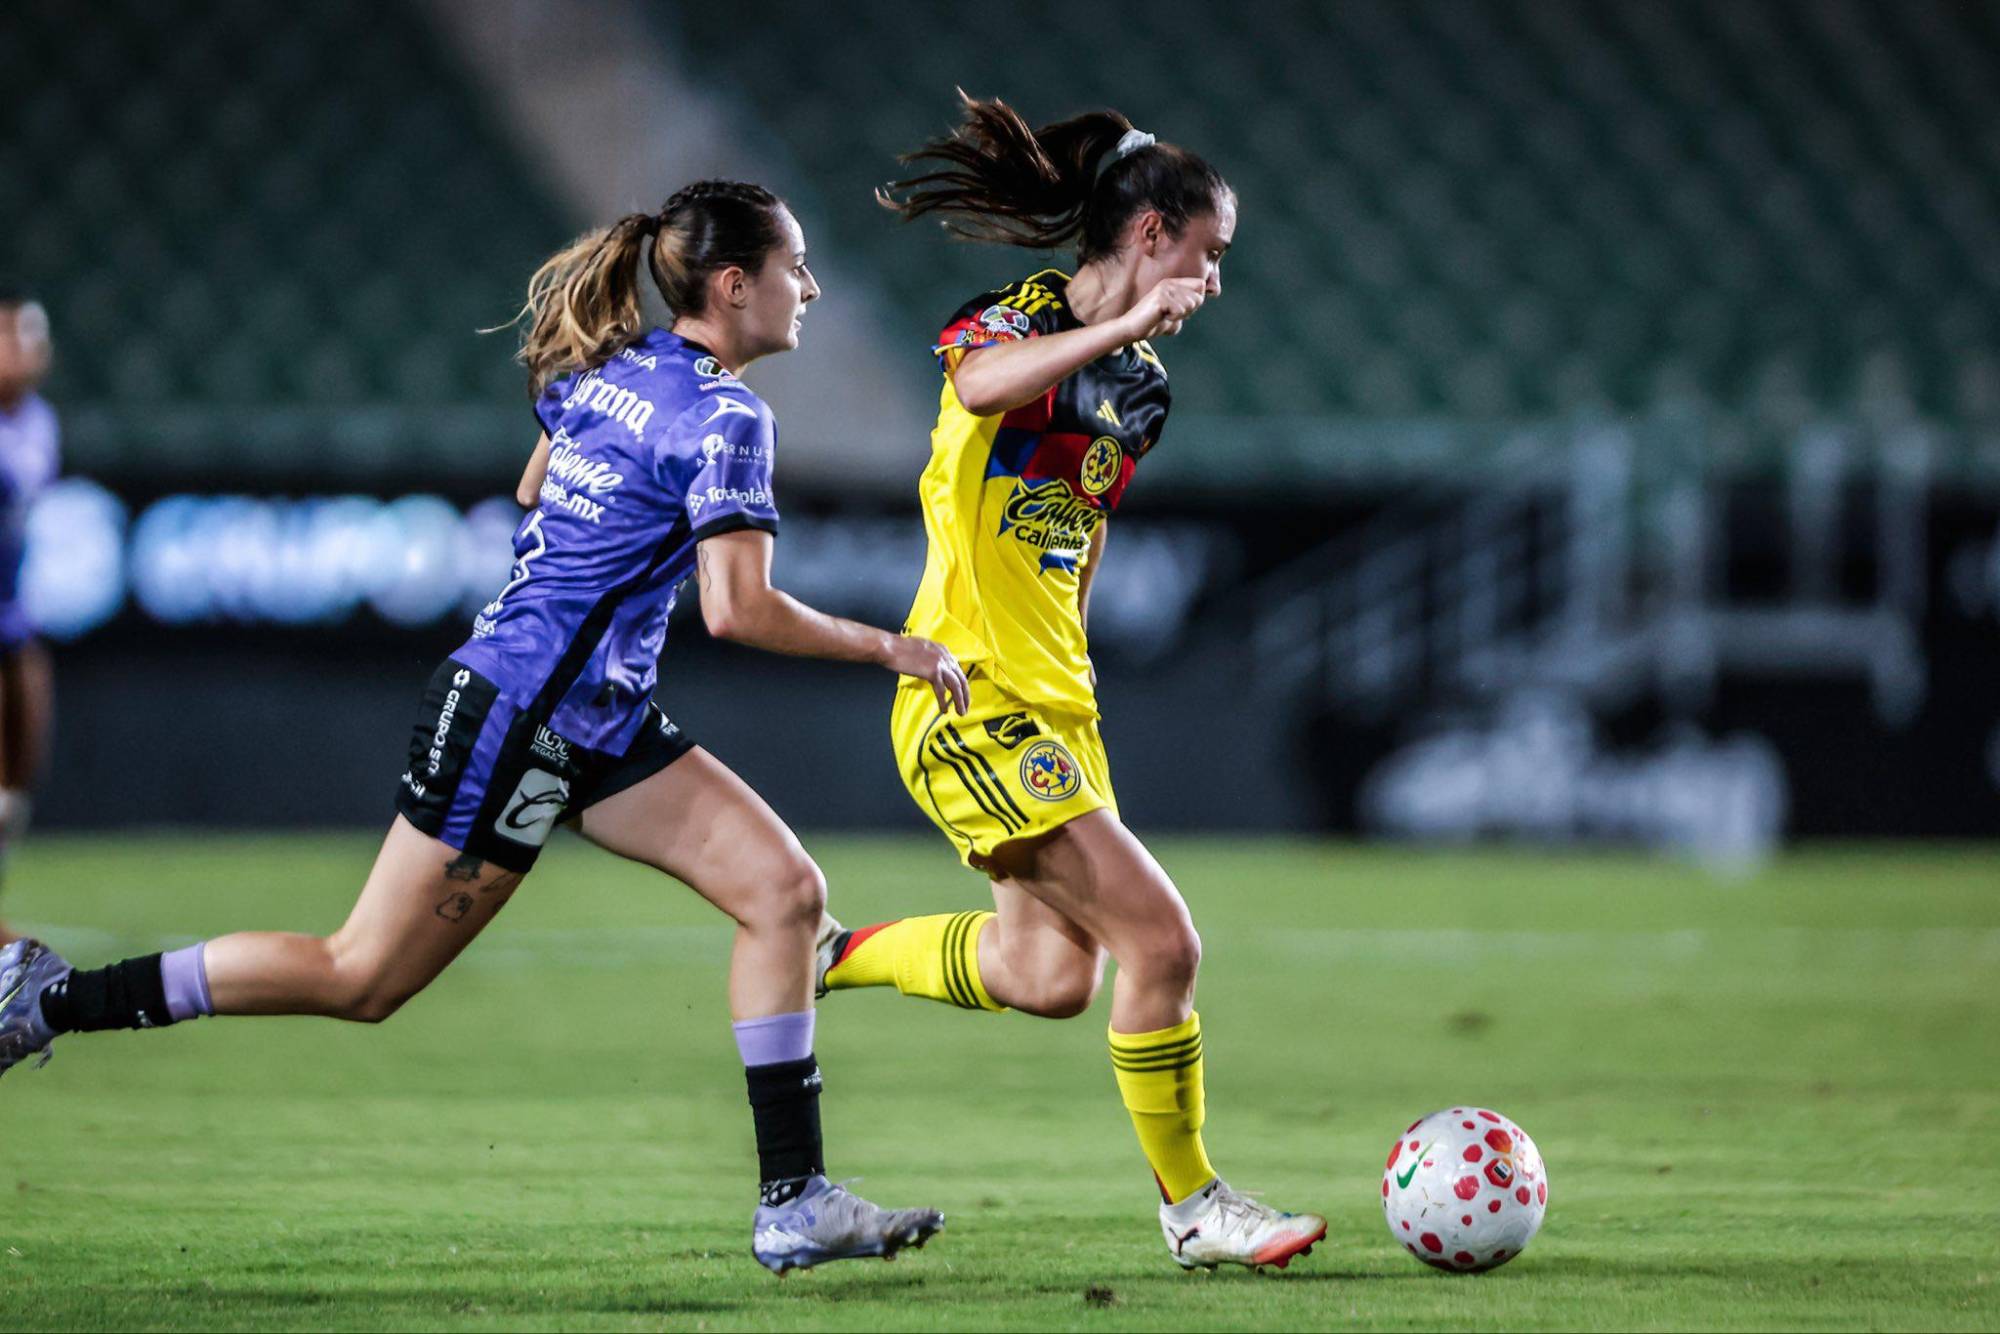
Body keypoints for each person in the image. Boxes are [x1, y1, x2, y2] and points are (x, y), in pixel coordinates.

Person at [0, 181, 971, 1275]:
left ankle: (793, 1197)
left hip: (589, 713)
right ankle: (51, 997)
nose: (812, 286)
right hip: (521, 717)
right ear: (732, 283)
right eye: (795, 267)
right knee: (359, 974)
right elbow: (736, 607)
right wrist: (894, 646)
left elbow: (533, 484)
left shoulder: (611, 369)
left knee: (783, 892)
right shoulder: (728, 416)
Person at [818, 96, 1327, 1271]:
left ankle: (828, 956)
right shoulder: (1015, 323)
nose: (1211, 278)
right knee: (1164, 944)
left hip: (1052, 700)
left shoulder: (1138, 390)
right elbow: (986, 390)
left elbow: (1076, 539)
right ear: (1149, 234)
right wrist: (1123, 322)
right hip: (968, 693)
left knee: (1046, 975)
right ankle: (1195, 1206)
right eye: (1208, 251)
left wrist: (1079, 686)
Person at [0, 288, 59, 948]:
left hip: (14, 620)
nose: (23, 351)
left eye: (30, 337)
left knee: (17, 785)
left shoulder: (38, 421)